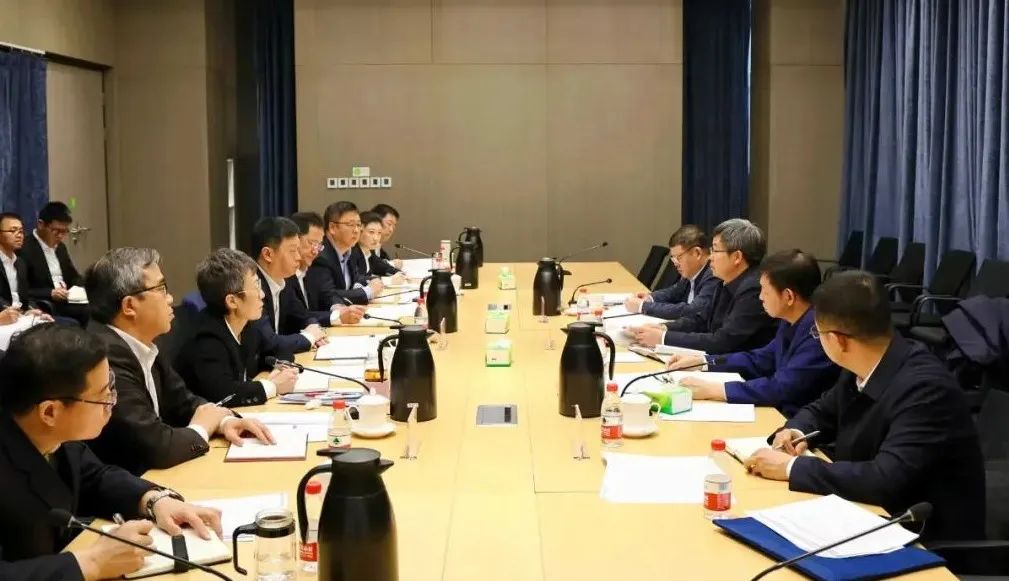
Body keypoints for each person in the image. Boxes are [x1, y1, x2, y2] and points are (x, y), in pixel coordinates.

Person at [744, 271, 985, 541]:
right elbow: (822, 410)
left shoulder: (926, 389)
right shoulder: (868, 361)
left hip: (921, 537)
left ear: (838, 340)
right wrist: (796, 431)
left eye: (817, 332)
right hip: (863, 514)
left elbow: (884, 479)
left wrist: (791, 468)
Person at [0, 324, 225, 580]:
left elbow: (95, 477)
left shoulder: (54, 433)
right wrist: (91, 562)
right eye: (102, 396)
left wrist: (154, 501)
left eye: (111, 387)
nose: (112, 402)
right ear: (50, 412)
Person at [84, 247, 274, 475]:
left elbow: (183, 402)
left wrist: (224, 422)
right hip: (129, 484)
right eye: (161, 289)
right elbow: (155, 446)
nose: (170, 298)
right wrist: (202, 428)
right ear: (129, 306)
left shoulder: (144, 345)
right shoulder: (104, 357)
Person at [666, 250, 839, 418]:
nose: (760, 297)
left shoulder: (819, 333)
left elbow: (782, 387)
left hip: (797, 421)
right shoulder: (791, 319)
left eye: (765, 291)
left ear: (788, 297)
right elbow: (760, 358)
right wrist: (704, 362)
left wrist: (715, 390)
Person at [174, 249, 298, 408]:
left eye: (259, 283)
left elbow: (278, 349)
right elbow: (223, 394)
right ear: (232, 301)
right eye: (255, 286)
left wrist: (280, 369)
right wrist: (272, 386)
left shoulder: (247, 324)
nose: (262, 294)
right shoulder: (206, 339)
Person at [632, 218, 776, 353]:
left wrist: (664, 338)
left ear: (737, 257)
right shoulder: (725, 279)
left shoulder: (754, 289)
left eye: (716, 250)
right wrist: (663, 328)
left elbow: (722, 341)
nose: (710, 257)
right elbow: (701, 319)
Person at [251, 217, 328, 355]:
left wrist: (313, 327)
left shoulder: (282, 281)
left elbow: (302, 315)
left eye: (299, 250)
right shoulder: (252, 288)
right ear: (268, 254)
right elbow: (268, 343)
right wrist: (309, 337)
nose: (299, 257)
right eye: (293, 251)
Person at [624, 225, 717, 319]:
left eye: (678, 257)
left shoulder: (713, 274)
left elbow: (692, 311)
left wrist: (643, 306)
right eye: (673, 258)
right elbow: (674, 292)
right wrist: (650, 298)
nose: (675, 264)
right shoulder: (692, 271)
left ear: (697, 253)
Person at [289, 211, 365, 325]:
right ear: (294, 240)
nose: (315, 251)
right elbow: (296, 317)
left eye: (319, 245)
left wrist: (339, 307)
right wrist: (337, 316)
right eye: (311, 243)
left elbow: (327, 294)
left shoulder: (310, 269)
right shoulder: (285, 274)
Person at [18, 201, 89, 324]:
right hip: (45, 303)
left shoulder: (60, 247)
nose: (61, 236)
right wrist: (50, 293)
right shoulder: (24, 249)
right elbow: (21, 289)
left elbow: (73, 276)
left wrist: (83, 288)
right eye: (56, 231)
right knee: (80, 315)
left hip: (67, 298)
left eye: (65, 231)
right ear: (41, 225)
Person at [306, 201, 383, 307]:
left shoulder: (349, 251)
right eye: (351, 225)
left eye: (358, 225)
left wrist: (373, 280)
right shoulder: (320, 255)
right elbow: (327, 295)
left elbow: (355, 278)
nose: (356, 230)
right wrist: (368, 291)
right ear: (332, 228)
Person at [0, 212, 54, 323]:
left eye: (21, 231)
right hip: (4, 319)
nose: (19, 235)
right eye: (13, 231)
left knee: (65, 325)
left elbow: (26, 296)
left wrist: (32, 310)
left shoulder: (20, 263)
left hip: (21, 318)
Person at [354, 211, 401, 278]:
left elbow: (381, 266)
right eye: (371, 232)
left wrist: (399, 273)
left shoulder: (370, 252)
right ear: (359, 230)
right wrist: (383, 280)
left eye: (379, 233)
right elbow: (355, 278)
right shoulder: (351, 252)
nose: (376, 238)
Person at [371, 203, 402, 268]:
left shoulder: (382, 253)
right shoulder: (359, 248)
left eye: (394, 226)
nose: (391, 230)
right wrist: (391, 264)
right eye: (389, 224)